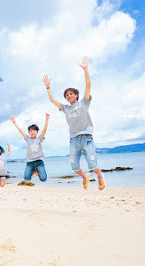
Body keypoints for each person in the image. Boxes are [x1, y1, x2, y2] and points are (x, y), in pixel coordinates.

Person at [43, 56, 105, 191]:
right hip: (73, 140)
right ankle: (85, 177)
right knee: (75, 168)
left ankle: (100, 176)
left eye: (71, 94)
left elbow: (88, 86)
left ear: (76, 95)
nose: (69, 96)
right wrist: (48, 87)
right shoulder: (65, 108)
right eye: (66, 95)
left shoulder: (84, 102)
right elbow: (52, 100)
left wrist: (85, 70)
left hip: (87, 138)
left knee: (93, 165)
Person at [10, 113, 50, 184]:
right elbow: (20, 130)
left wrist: (47, 119)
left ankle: (35, 171)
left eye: (34, 131)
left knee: (43, 179)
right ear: (28, 132)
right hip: (30, 162)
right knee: (26, 180)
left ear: (37, 132)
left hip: (39, 161)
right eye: (30, 131)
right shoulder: (27, 139)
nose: (32, 132)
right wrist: (14, 122)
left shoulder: (40, 139)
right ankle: (34, 171)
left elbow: (44, 130)